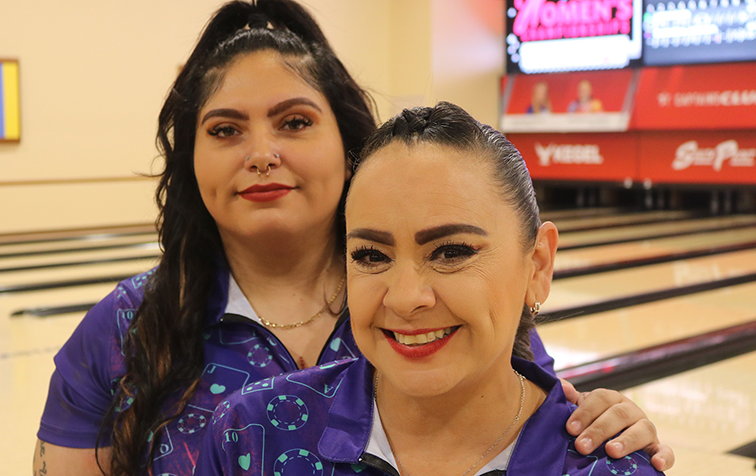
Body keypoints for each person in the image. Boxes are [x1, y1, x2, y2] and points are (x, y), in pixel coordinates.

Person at [33, 2, 673, 475]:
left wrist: (609, 426)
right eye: (226, 129)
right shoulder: (124, 327)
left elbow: (532, 419)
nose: (261, 153)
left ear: (348, 143)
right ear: (190, 158)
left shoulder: (443, 311)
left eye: (294, 121)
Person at [200, 102, 664, 476]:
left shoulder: (607, 466)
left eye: (451, 252)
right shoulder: (252, 433)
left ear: (537, 264)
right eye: (371, 255)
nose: (405, 298)